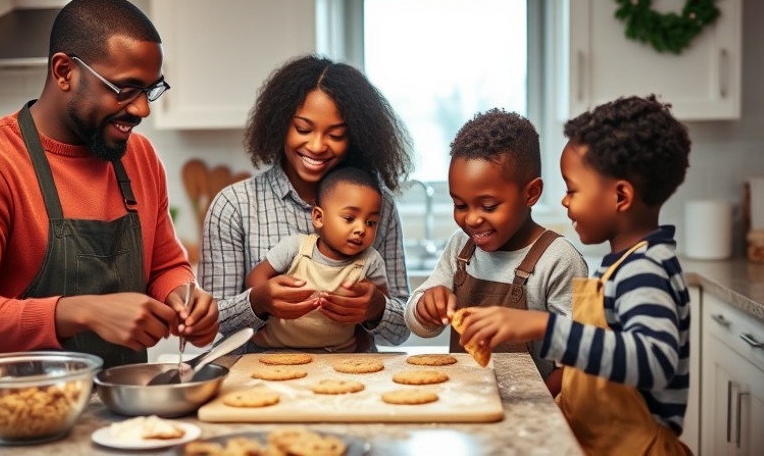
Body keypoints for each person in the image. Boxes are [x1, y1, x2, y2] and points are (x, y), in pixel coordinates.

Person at [0, 0, 219, 376]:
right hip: (4, 415)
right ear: (64, 72)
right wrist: (80, 311)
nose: (143, 109)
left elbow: (165, 267)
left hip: (115, 411)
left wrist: (184, 296)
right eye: (125, 90)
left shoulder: (139, 157)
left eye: (150, 90)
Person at [458, 96, 692, 455]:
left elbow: (653, 361)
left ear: (620, 196)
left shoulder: (646, 270)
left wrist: (541, 326)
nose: (565, 202)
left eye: (572, 189)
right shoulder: (623, 263)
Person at [200, 54, 414, 352]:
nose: (316, 146)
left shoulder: (380, 208)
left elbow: (402, 329)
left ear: (355, 137)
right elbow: (212, 324)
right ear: (280, 125)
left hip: (353, 380)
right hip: (262, 383)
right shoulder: (233, 206)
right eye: (303, 129)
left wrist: (376, 309)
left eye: (336, 135)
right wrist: (258, 301)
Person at [404, 109, 586, 395]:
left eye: (488, 206)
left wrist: (542, 409)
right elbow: (417, 323)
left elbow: (578, 360)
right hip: (465, 402)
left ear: (531, 194)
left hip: (532, 411)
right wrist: (425, 307)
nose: (472, 219)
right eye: (460, 205)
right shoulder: (460, 248)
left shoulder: (559, 260)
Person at [246, 166, 389, 352]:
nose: (361, 229)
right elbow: (256, 276)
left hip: (338, 354)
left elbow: (380, 303)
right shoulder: (296, 247)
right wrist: (266, 301)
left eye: (371, 222)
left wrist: (363, 332)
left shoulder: (371, 261)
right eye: (349, 218)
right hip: (279, 351)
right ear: (319, 217)